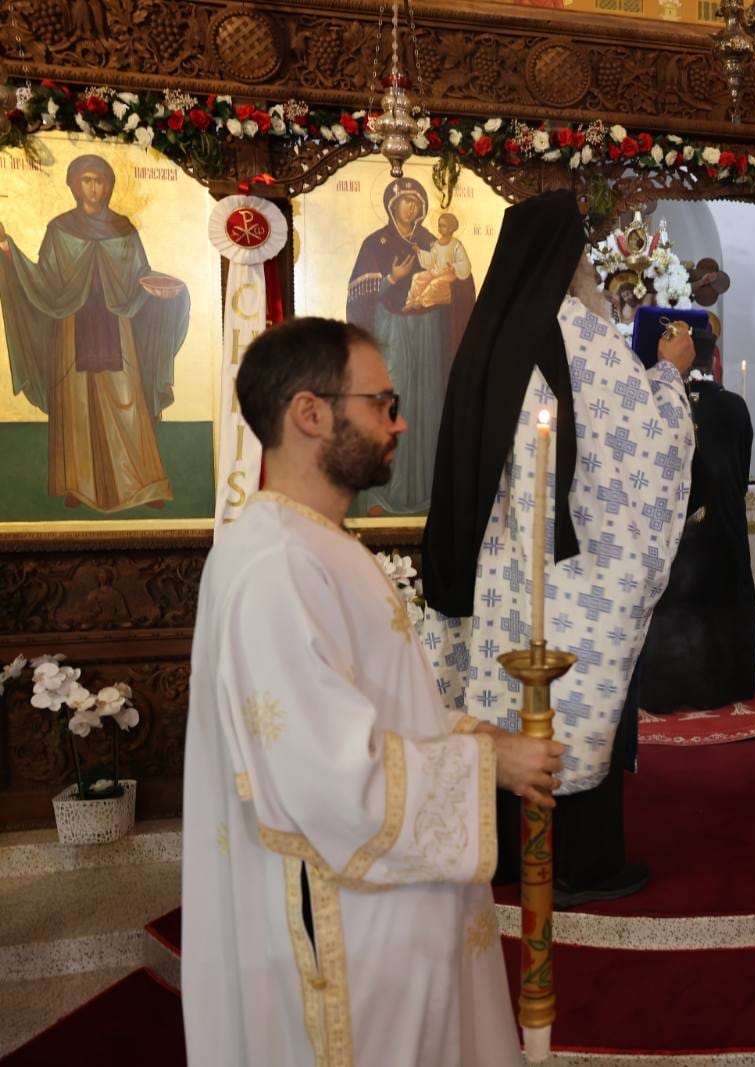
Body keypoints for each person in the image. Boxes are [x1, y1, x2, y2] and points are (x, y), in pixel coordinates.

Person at [182, 316, 566, 1067]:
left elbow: (371, 708)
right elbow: (323, 776)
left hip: (382, 910)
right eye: (382, 403)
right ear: (310, 413)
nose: (399, 422)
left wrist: (477, 735)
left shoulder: (310, 543)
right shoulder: (278, 566)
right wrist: (490, 766)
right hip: (345, 926)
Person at [422, 190, 697, 909]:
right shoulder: (579, 333)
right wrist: (671, 373)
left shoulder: (486, 335)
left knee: (499, 697)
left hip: (492, 570)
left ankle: (500, 851)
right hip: (568, 574)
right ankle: (577, 863)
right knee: (566, 696)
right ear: (568, 262)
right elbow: (647, 446)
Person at [0, 153, 189, 512]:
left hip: (118, 324)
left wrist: (166, 291)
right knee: (77, 404)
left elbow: (141, 275)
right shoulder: (59, 230)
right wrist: (8, 251)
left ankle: (145, 483)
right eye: (85, 180)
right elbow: (44, 279)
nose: (92, 188)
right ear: (74, 185)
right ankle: (79, 483)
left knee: (127, 400)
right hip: (71, 327)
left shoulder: (124, 230)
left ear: (109, 186)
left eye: (98, 181)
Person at [636, 323, 755, 713]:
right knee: (722, 604)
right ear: (714, 358)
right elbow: (742, 474)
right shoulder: (735, 406)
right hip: (725, 531)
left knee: (681, 608)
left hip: (680, 536)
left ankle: (670, 688)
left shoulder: (660, 403)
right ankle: (729, 683)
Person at [346, 178, 473, 516]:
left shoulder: (432, 241)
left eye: (416, 202)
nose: (411, 207)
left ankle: (429, 494)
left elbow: (461, 281)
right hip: (392, 331)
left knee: (428, 405)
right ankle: (383, 495)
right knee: (396, 401)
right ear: (392, 206)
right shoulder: (375, 243)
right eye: (405, 201)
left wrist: (451, 282)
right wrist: (393, 278)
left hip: (429, 331)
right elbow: (358, 299)